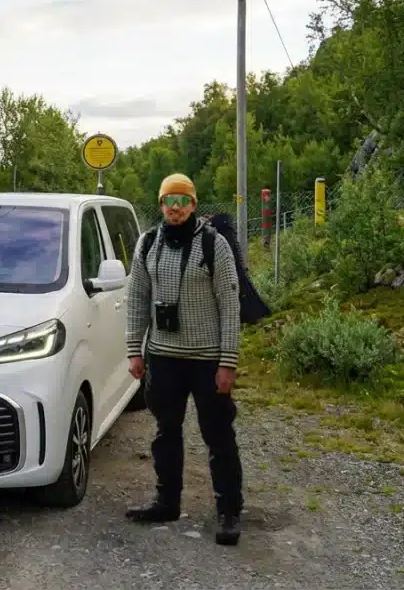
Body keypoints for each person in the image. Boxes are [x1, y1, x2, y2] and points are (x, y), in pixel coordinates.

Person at [123, 173, 244, 546]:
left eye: (182, 201)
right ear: (160, 205)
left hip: (208, 360)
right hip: (163, 358)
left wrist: (228, 362)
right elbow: (137, 297)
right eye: (168, 201)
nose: (175, 209)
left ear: (193, 204)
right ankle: (166, 501)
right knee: (165, 433)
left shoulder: (214, 245)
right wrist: (134, 350)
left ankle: (228, 512)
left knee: (218, 435)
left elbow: (229, 304)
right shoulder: (146, 244)